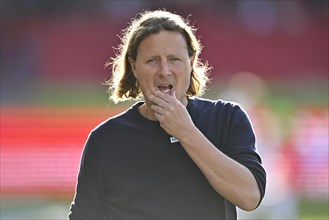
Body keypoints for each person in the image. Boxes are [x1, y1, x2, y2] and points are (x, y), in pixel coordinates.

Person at [68, 9, 266, 219]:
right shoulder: (106, 139)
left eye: (174, 59)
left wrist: (186, 131)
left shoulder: (227, 118)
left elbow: (250, 197)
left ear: (191, 61)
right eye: (152, 60)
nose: (164, 71)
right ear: (134, 66)